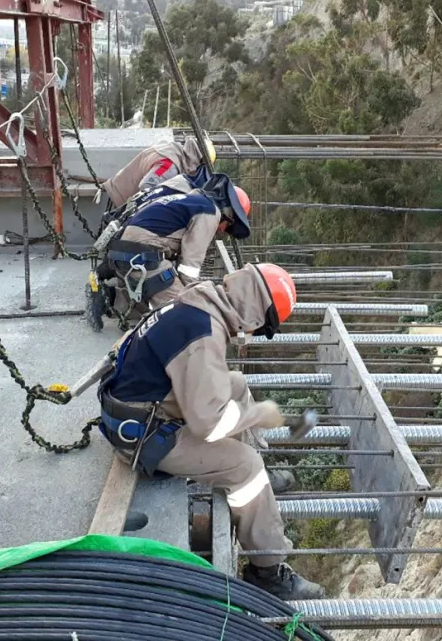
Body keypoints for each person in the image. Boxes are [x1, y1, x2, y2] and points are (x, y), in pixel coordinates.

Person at [96, 263, 326, 601]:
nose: (257, 331)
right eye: (264, 326)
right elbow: (210, 423)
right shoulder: (203, 335)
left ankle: (257, 482)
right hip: (145, 435)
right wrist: (258, 414)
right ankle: (268, 572)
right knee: (245, 466)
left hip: (143, 405)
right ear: (257, 312)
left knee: (236, 382)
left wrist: (250, 414)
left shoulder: (198, 303)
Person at [96, 173, 251, 317]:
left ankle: (106, 298)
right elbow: (189, 265)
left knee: (148, 305)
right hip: (142, 256)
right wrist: (193, 294)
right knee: (184, 311)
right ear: (227, 214)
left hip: (122, 253)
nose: (223, 231)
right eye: (228, 227)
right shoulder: (210, 213)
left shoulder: (188, 200)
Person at [101, 135, 215, 209]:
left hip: (118, 192)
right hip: (120, 200)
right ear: (198, 160)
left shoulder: (171, 149)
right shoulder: (170, 165)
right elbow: (146, 186)